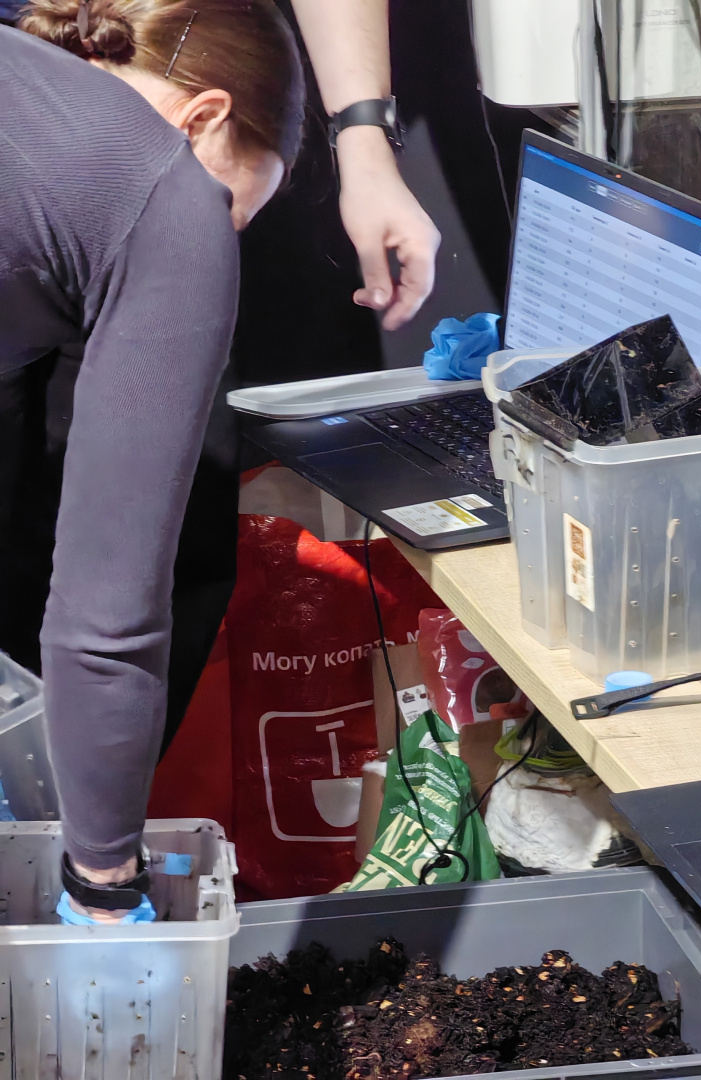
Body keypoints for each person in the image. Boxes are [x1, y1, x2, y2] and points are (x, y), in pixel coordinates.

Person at [1, 0, 438, 924]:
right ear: (201, 117)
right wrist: (103, 889)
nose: (222, 237)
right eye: (236, 209)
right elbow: (106, 625)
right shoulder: (164, 193)